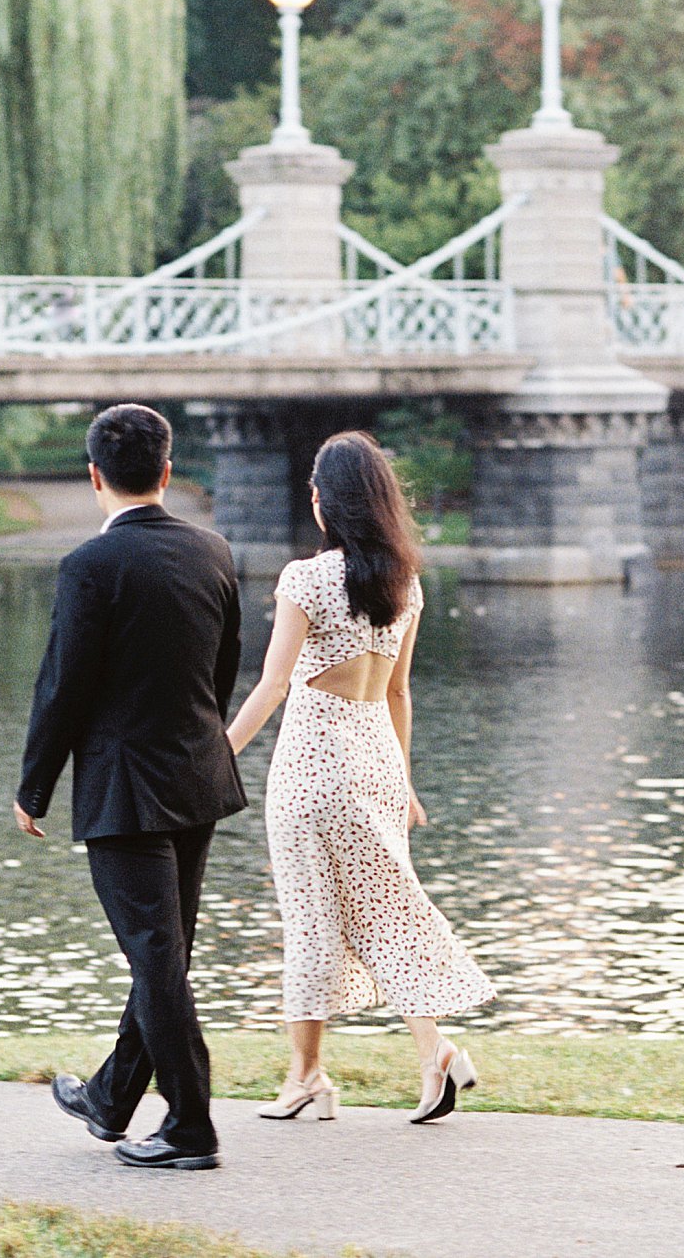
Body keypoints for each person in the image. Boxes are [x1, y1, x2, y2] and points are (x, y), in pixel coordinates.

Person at [225, 431, 494, 1125]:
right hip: (375, 757)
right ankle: (435, 1050)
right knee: (389, 914)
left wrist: (219, 750)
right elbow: (399, 692)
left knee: (312, 919)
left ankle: (306, 1076)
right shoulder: (405, 583)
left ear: (325, 502)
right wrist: (401, 780)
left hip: (315, 766)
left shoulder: (305, 578)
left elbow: (275, 683)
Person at [16, 403, 246, 1170]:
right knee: (164, 954)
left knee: (155, 956)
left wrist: (34, 786)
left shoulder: (91, 565)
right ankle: (113, 1097)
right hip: (198, 778)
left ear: (93, 477)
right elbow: (221, 672)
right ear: (167, 471)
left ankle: (190, 1126)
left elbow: (64, 687)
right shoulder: (213, 550)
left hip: (125, 789)